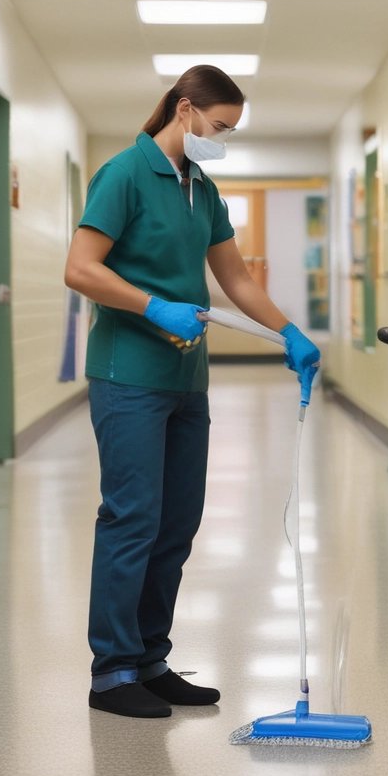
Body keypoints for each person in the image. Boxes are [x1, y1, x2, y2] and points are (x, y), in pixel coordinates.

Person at [63, 65, 321, 719]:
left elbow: (236, 281)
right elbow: (80, 269)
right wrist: (153, 307)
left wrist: (291, 333)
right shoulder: (124, 174)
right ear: (184, 110)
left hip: (186, 382)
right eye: (220, 126)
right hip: (128, 376)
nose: (222, 138)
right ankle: (112, 671)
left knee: (176, 524)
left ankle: (149, 659)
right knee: (132, 518)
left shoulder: (202, 190)